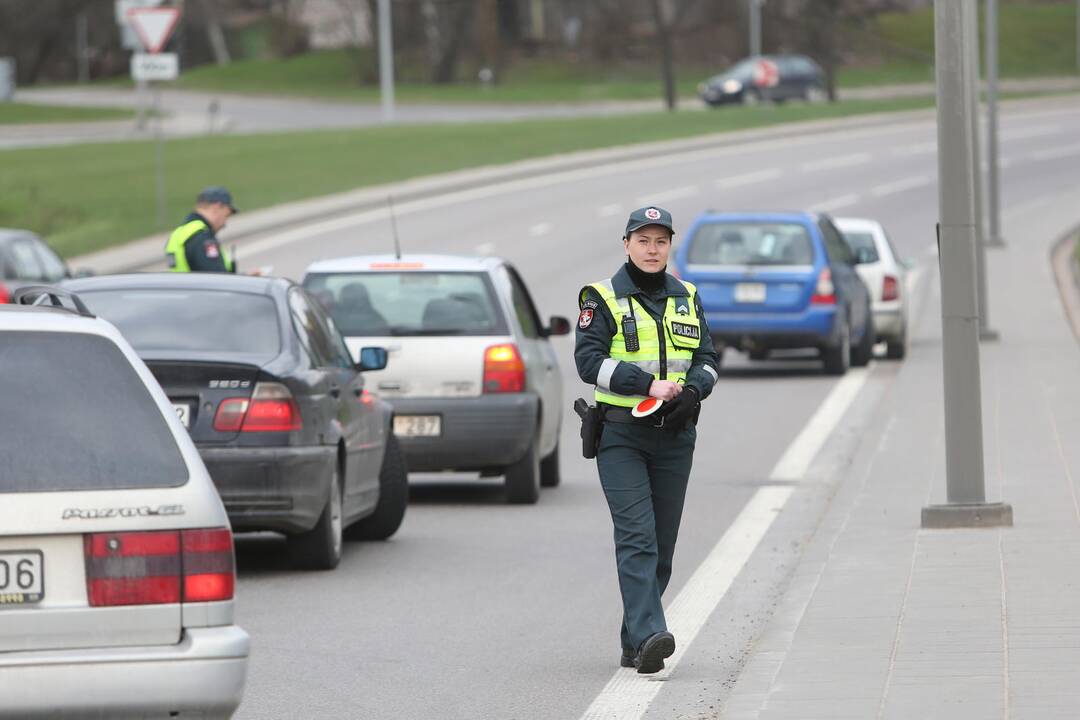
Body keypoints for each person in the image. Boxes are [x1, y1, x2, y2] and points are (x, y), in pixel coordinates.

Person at [574, 206, 720, 674]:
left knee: (662, 547)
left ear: (669, 246)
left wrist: (695, 388)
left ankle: (634, 640)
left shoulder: (688, 295)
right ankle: (654, 635)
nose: (652, 250)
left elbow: (709, 357)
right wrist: (646, 385)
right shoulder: (601, 298)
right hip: (621, 434)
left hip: (676, 435)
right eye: (643, 241)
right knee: (637, 538)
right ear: (627, 245)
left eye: (660, 241)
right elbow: (588, 362)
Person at [164, 186, 238, 273]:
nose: (225, 223)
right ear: (217, 207)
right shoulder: (202, 238)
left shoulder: (180, 233)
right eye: (227, 215)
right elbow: (218, 279)